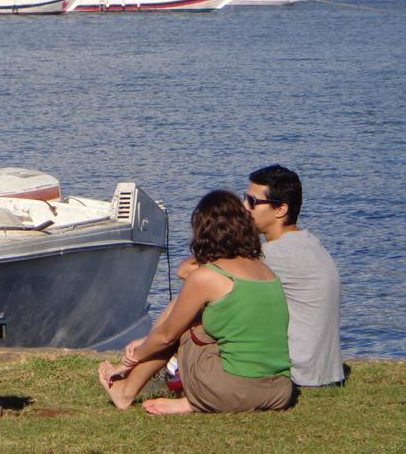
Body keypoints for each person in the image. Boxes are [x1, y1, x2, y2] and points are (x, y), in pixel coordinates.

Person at [98, 190, 293, 414]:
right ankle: (192, 403)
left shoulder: (206, 277)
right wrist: (145, 341)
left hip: (234, 390)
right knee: (195, 317)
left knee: (182, 318)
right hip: (279, 391)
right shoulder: (266, 272)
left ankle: (125, 392)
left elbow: (166, 336)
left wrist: (134, 357)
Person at [244, 165, 345, 387]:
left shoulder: (275, 254)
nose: (244, 207)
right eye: (245, 198)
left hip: (299, 376)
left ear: (280, 209)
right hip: (324, 373)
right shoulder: (308, 243)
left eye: (252, 202)